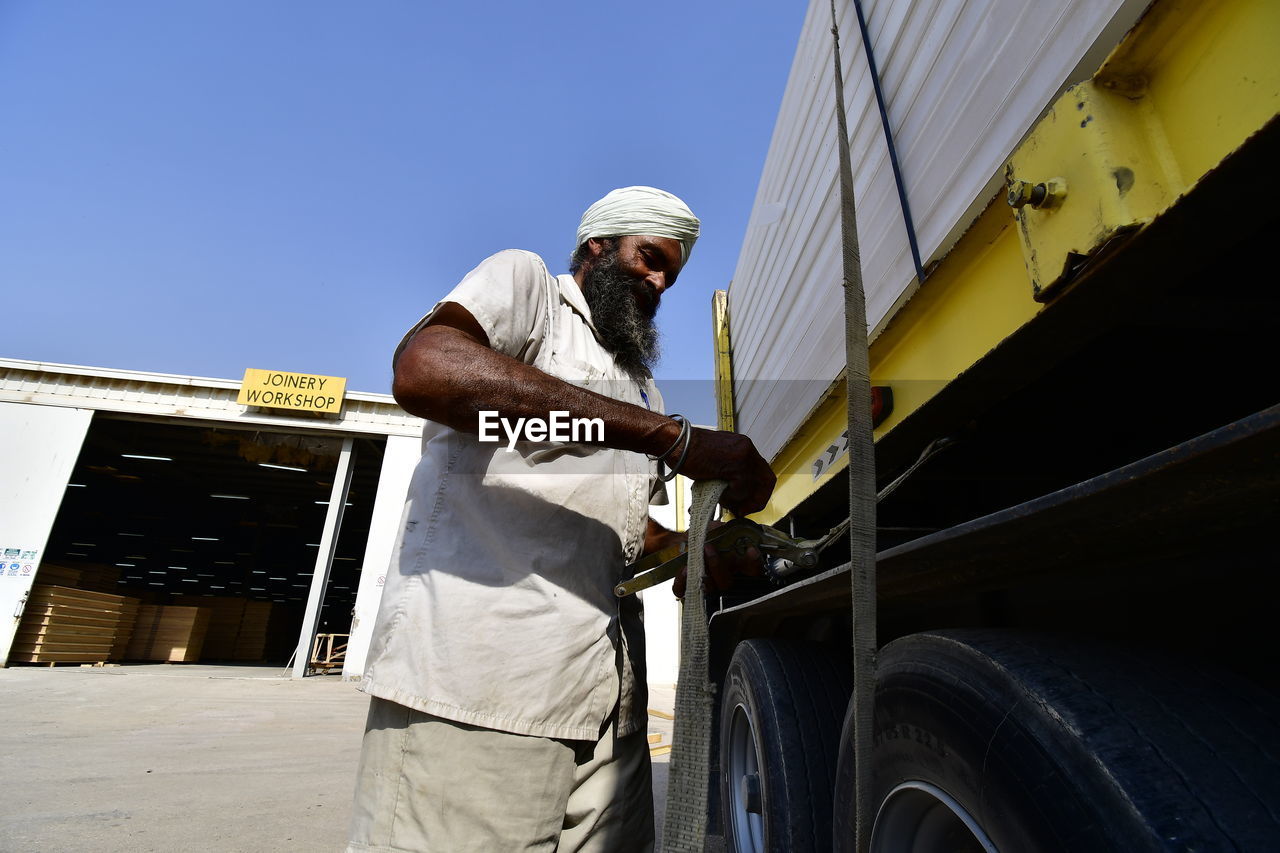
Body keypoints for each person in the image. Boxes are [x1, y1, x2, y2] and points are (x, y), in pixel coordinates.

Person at [347, 186, 775, 853]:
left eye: (671, 273)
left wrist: (696, 547)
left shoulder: (641, 389)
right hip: (481, 696)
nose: (659, 280)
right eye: (650, 258)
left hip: (606, 708)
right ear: (597, 247)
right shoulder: (530, 293)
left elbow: (626, 531)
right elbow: (424, 369)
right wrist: (675, 439)